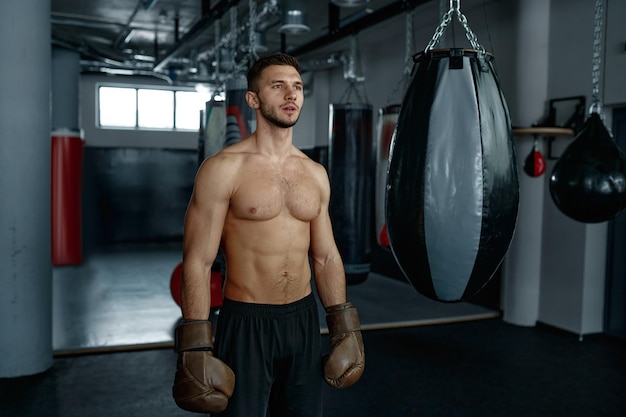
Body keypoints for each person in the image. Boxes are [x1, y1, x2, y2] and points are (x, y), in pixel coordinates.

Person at [172, 53, 365, 417]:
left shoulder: (315, 173)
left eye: (297, 87)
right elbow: (197, 261)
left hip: (303, 320)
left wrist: (344, 325)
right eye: (278, 86)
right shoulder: (222, 169)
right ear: (253, 99)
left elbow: (326, 257)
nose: (290, 95)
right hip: (246, 323)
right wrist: (195, 346)